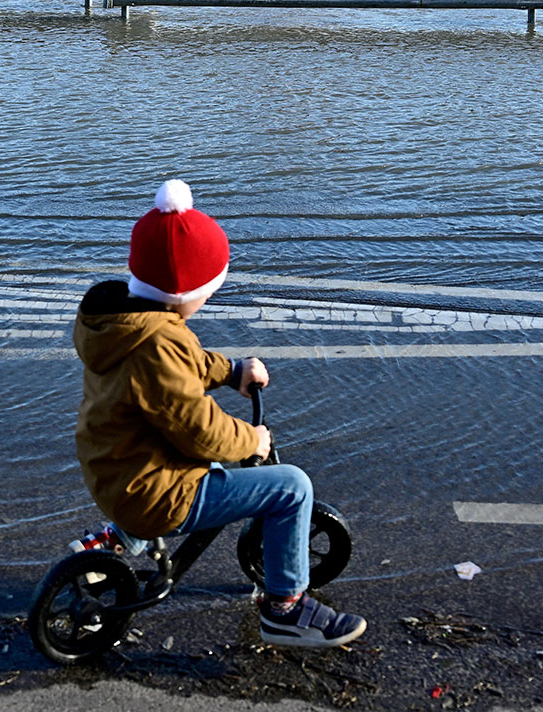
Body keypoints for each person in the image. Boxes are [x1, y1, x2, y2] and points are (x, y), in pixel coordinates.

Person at [70, 179, 366, 649]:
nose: (207, 300)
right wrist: (252, 440)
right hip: (155, 492)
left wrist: (231, 371)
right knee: (291, 487)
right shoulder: (161, 342)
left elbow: (177, 372)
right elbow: (197, 429)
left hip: (115, 467)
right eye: (208, 290)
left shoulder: (124, 326)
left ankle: (122, 540)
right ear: (187, 292)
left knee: (190, 456)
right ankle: (285, 611)